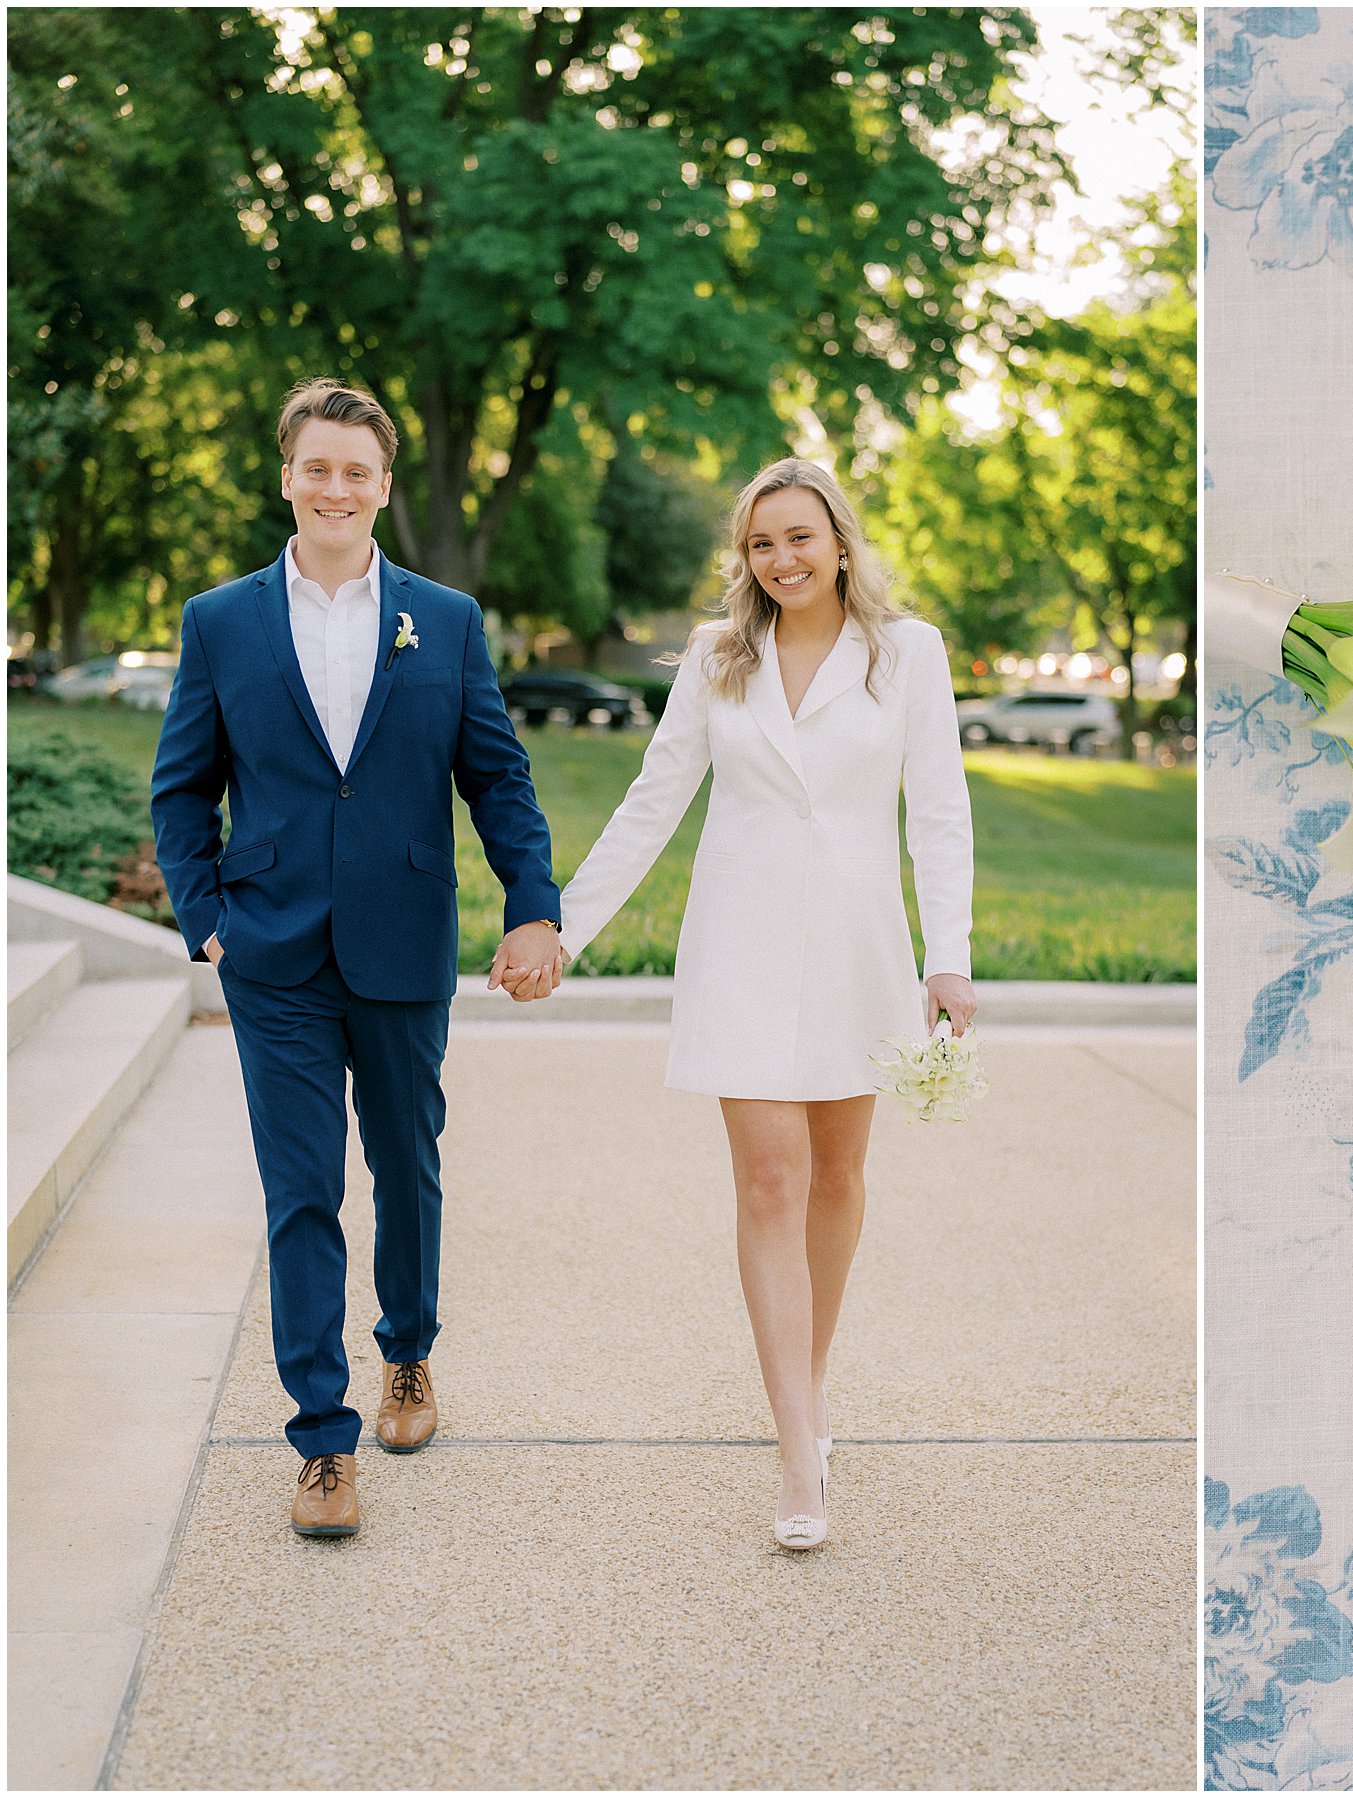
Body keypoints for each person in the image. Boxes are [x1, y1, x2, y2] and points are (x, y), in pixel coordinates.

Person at [151, 378, 565, 1539]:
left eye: (358, 471)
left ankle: (409, 1357)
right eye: (317, 467)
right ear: (286, 476)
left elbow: (498, 775)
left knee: (406, 1167)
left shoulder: (448, 618)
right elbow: (182, 785)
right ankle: (322, 1441)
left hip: (402, 942)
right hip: (270, 952)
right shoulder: (219, 620)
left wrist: (531, 906)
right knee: (299, 1194)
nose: (337, 487)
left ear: (383, 487)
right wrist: (207, 918)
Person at [557, 456, 976, 1549]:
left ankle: (808, 1384)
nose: (782, 559)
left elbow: (938, 810)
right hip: (739, 941)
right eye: (760, 543)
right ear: (743, 558)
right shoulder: (716, 660)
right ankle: (799, 1450)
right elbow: (653, 802)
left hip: (858, 948)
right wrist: (564, 928)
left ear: (840, 540)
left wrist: (951, 955)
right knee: (771, 1180)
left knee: (839, 1174)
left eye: (800, 537)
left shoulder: (908, 653)